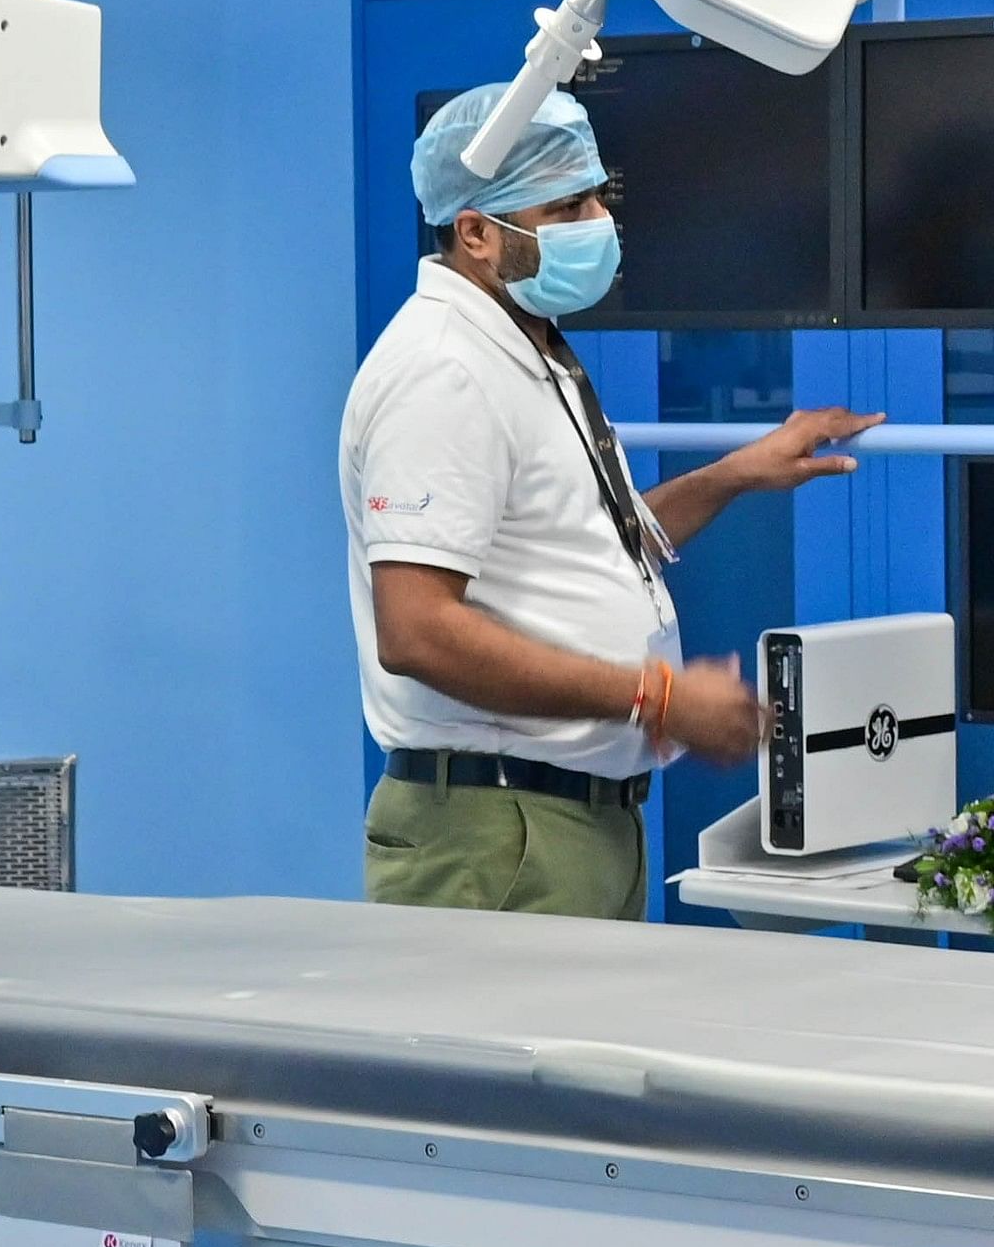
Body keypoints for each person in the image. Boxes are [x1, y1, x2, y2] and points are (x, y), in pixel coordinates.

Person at [342, 83, 879, 920]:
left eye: (597, 195)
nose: (600, 221)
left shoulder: (528, 347)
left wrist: (735, 474)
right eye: (567, 206)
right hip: (497, 833)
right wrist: (657, 698)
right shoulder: (443, 371)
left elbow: (584, 541)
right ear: (476, 231)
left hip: (574, 819)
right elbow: (415, 631)